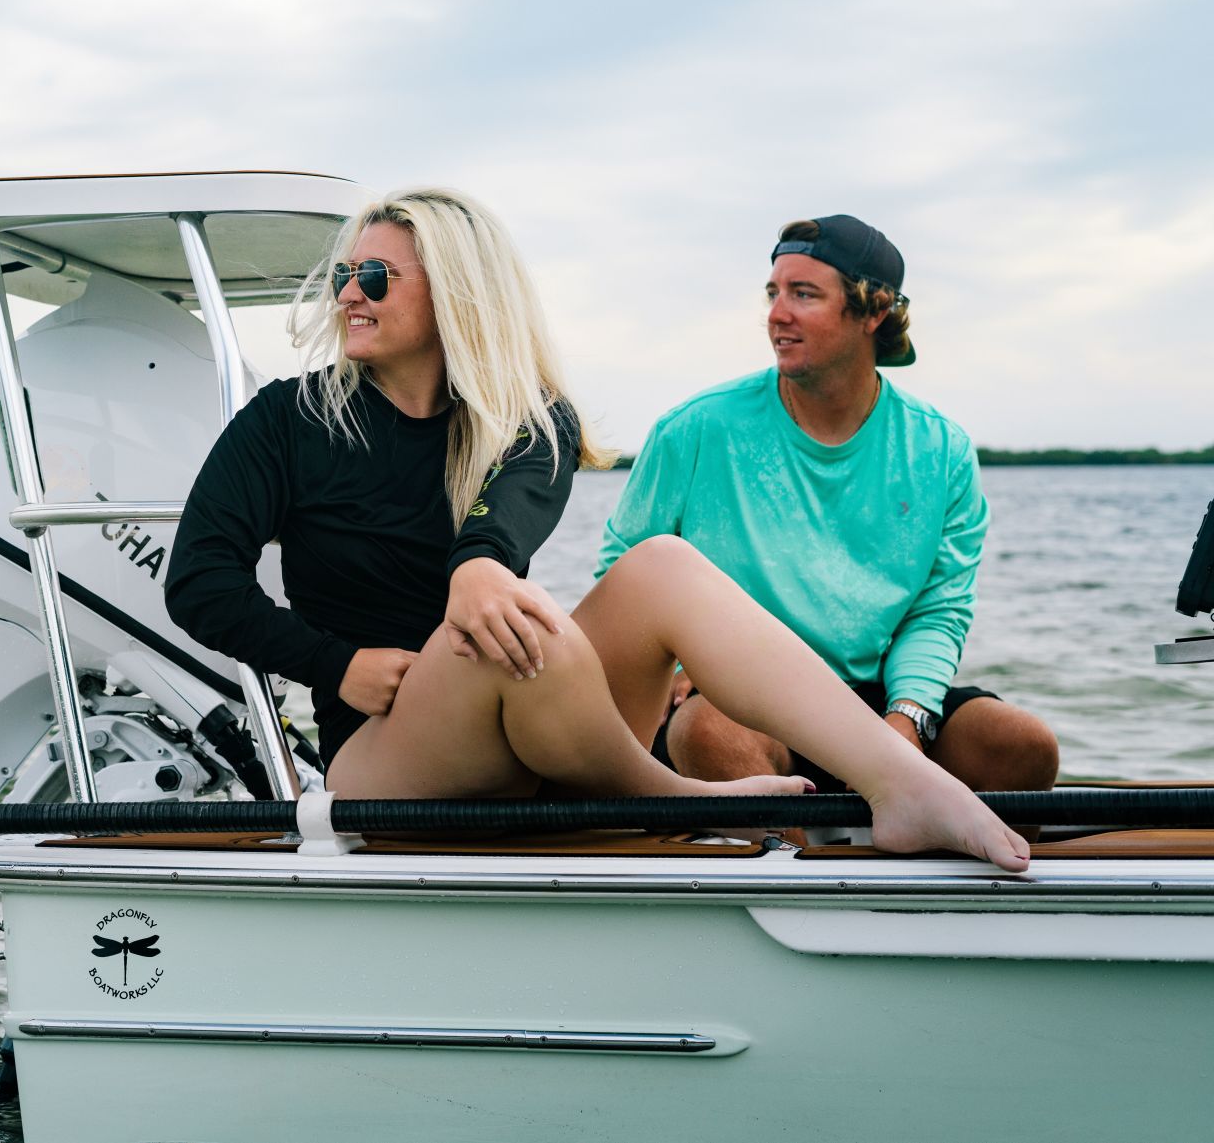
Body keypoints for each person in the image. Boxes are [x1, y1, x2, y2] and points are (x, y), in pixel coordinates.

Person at [165, 188, 1029, 870]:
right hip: (393, 754)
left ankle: (901, 781)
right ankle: (671, 797)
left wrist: (479, 572)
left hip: (539, 722)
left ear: (456, 294)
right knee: (493, 632)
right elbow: (198, 579)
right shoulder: (288, 421)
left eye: (378, 277)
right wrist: (335, 665)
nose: (351, 293)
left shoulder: (530, 419)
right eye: (345, 275)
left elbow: (496, 534)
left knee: (656, 564)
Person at [597, 215, 1060, 802]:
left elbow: (938, 610)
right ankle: (801, 882)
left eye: (804, 294)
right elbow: (622, 576)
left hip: (865, 699)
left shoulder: (941, 449)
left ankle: (943, 890)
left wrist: (906, 720)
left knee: (1021, 745)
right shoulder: (694, 429)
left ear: (874, 312)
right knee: (709, 732)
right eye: (773, 293)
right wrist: (680, 669)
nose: (776, 313)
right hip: (733, 701)